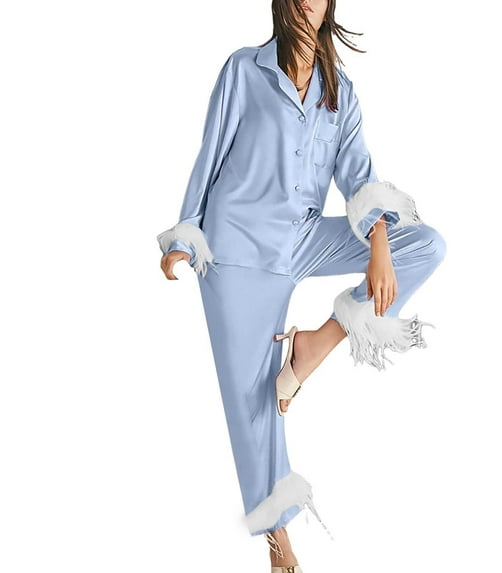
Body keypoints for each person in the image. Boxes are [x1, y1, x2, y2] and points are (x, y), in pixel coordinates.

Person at [157, 0, 447, 571]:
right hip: (237, 251)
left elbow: (359, 175)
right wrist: (185, 235)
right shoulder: (244, 69)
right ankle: (279, 540)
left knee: (426, 245)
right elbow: (209, 154)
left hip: (305, 237)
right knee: (252, 408)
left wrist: (380, 245)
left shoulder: (341, 90)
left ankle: (314, 346)